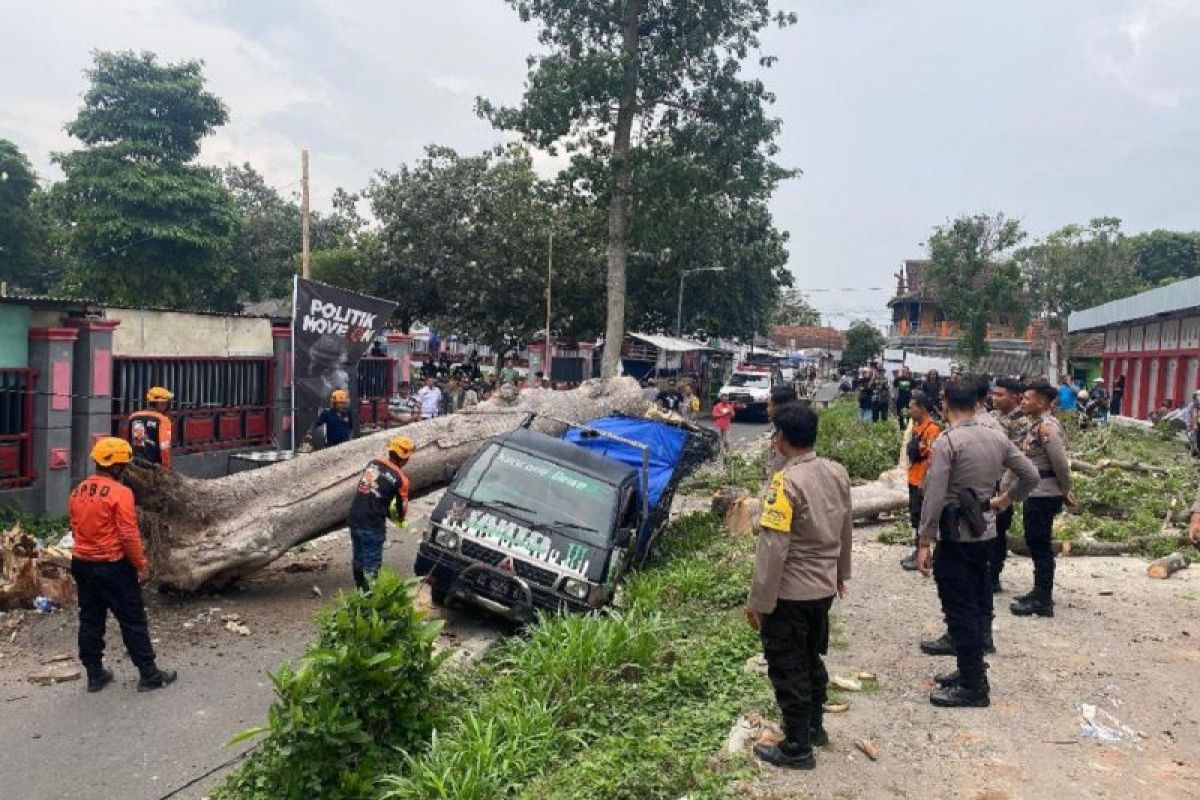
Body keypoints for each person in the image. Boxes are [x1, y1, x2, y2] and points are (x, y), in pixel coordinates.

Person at [915, 379, 1037, 707]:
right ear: (977, 402)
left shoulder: (948, 442)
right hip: (986, 531)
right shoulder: (996, 436)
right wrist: (1005, 500)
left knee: (959, 608)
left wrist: (924, 540)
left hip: (955, 537)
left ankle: (973, 686)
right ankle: (968, 668)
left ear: (945, 404)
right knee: (976, 601)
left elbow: (935, 494)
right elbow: (1031, 475)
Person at [746, 402, 852, 768]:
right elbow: (845, 528)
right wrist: (841, 573)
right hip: (822, 588)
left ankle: (796, 747)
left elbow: (773, 547)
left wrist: (759, 600)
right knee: (810, 658)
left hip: (790, 592)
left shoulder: (785, 484)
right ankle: (814, 729)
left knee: (788, 665)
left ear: (781, 439)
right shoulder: (836, 472)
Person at [69, 437, 177, 693]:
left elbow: (74, 527)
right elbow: (128, 534)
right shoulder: (121, 493)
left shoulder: (77, 491)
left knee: (90, 618)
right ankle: (148, 674)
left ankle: (95, 674)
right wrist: (140, 565)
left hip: (82, 563)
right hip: (113, 566)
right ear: (117, 465)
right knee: (132, 620)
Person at [1011, 380, 1075, 618]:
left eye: (1028, 398)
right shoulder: (1036, 425)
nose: (1024, 402)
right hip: (1035, 492)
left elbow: (1059, 462)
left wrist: (1066, 489)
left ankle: (1043, 599)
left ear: (1041, 402)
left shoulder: (1047, 427)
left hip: (1045, 493)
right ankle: (1038, 590)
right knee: (1034, 541)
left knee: (1040, 544)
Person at [348, 435, 414, 590]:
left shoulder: (373, 463)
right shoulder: (402, 480)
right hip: (373, 524)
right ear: (405, 458)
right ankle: (369, 599)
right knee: (371, 566)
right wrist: (399, 517)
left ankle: (359, 591)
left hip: (355, 517)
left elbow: (369, 487)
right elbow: (401, 509)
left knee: (358, 560)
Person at [989, 377, 1029, 593]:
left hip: (1003, 484)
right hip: (985, 480)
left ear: (1014, 397)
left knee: (997, 531)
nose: (995, 398)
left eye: (1000, 394)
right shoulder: (991, 417)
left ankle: (993, 575)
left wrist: (1004, 491)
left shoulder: (1021, 423)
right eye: (994, 394)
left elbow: (1018, 460)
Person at [901, 392, 940, 571]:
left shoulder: (932, 429)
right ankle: (917, 551)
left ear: (922, 408)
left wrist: (924, 482)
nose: (910, 411)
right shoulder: (916, 427)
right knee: (915, 517)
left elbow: (930, 457)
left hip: (921, 480)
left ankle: (923, 554)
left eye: (912, 407)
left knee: (922, 517)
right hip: (913, 476)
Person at [128, 386, 174, 468]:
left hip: (135, 465)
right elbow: (164, 448)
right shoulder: (163, 420)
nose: (167, 406)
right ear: (160, 403)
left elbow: (128, 442)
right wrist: (166, 467)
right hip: (154, 468)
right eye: (167, 403)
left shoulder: (133, 417)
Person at [765, 385, 800, 481]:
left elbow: (779, 470)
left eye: (769, 405)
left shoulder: (788, 438)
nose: (767, 410)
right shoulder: (778, 432)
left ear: (779, 408)